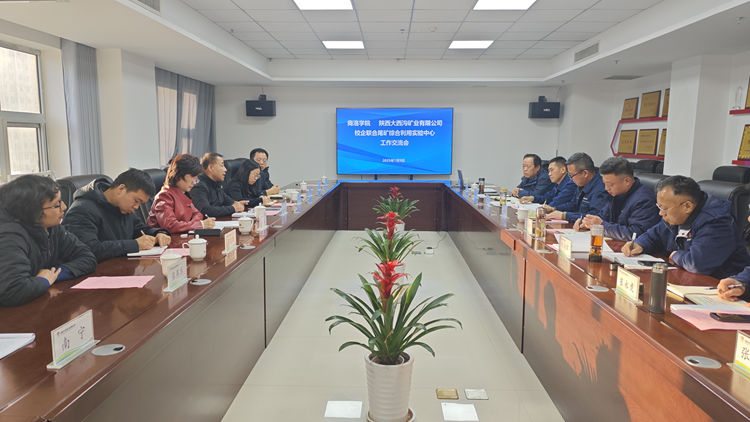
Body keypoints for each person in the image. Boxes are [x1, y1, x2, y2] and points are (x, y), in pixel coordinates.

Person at [622, 175, 750, 278]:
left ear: (687, 206)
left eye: (664, 208)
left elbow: (697, 264)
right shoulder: (675, 215)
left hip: (720, 285)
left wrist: (676, 255)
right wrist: (640, 244)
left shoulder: (717, 222)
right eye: (659, 207)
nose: (661, 213)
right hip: (685, 278)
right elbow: (654, 235)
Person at [0, 175, 96, 307]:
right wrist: (44, 281)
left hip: (37, 301)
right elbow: (12, 291)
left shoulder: (52, 227)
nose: (64, 207)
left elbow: (88, 258)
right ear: (33, 211)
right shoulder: (8, 236)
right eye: (56, 205)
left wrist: (53, 275)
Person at [62, 168, 172, 262]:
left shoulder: (122, 207)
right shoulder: (82, 210)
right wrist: (135, 245)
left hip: (122, 268)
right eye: (136, 201)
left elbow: (139, 229)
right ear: (121, 189)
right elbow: (89, 249)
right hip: (96, 275)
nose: (136, 207)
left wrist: (158, 234)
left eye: (140, 203)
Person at [574, 157, 660, 241]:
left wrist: (601, 226)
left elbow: (635, 234)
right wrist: (588, 222)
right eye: (604, 184)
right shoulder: (616, 193)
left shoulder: (644, 200)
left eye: (610, 184)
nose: (606, 188)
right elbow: (603, 216)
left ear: (627, 181)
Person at [148, 154, 216, 233]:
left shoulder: (183, 193)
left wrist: (193, 224)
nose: (195, 182)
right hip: (165, 239)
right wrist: (200, 224)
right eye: (193, 177)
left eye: (196, 178)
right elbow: (170, 225)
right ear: (179, 175)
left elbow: (198, 214)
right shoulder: (164, 196)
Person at [546, 152, 608, 223]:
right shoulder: (582, 183)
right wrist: (554, 209)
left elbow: (594, 217)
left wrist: (565, 215)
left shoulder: (601, 188)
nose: (571, 179)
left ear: (585, 173)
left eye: (572, 175)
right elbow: (573, 204)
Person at [190, 152, 247, 217]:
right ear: (210, 167)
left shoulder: (216, 183)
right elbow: (206, 211)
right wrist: (233, 208)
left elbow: (229, 201)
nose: (225, 170)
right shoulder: (199, 186)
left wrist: (238, 204)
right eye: (222, 165)